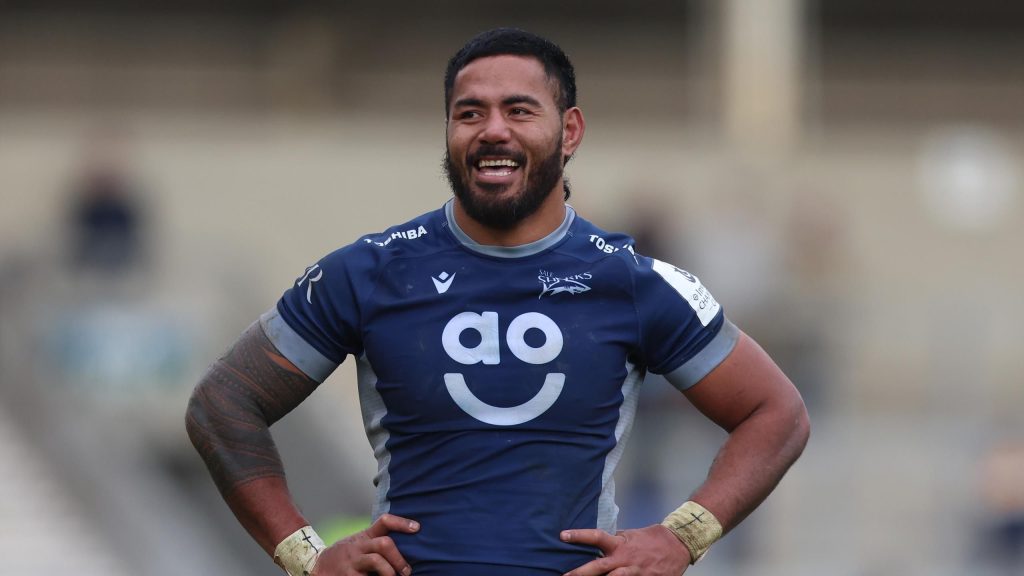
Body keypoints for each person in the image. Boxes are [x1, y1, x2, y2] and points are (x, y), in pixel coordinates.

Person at [185, 28, 810, 576]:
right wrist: (306, 555)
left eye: (519, 110)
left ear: (569, 131)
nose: (493, 131)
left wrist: (681, 537)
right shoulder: (370, 271)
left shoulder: (631, 282)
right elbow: (223, 403)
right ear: (448, 130)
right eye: (469, 113)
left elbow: (776, 413)